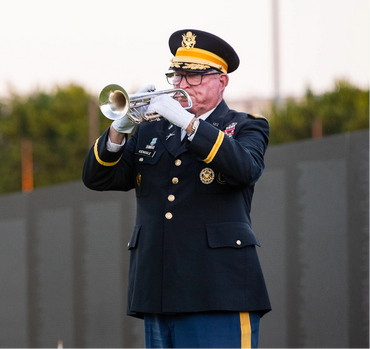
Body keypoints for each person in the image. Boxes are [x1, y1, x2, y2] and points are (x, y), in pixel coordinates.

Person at [83, 29, 271, 349]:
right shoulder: (150, 131)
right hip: (158, 292)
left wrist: (190, 125)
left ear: (222, 82)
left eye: (194, 76)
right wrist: (121, 127)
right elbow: (97, 178)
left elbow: (246, 168)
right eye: (178, 74)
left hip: (219, 292)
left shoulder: (245, 126)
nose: (182, 84)